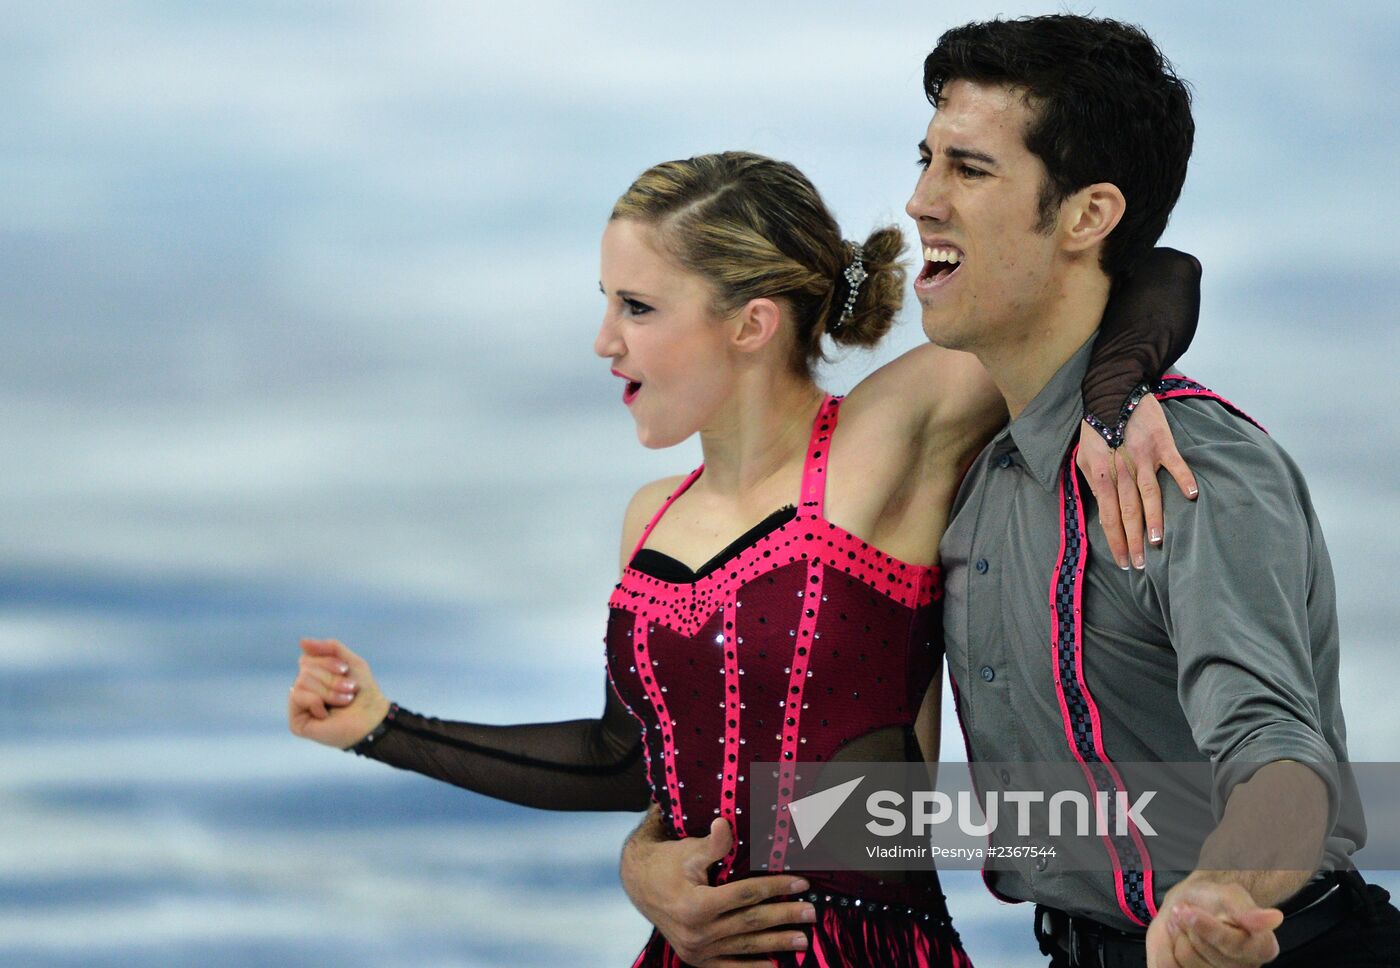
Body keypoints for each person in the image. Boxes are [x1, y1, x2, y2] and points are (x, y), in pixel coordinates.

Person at [620, 14, 1400, 968]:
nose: (918, 201)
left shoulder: (1182, 466)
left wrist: (1221, 890)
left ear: (1086, 216)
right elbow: (903, 817)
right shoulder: (966, 484)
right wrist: (650, 861)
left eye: (970, 170)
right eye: (926, 159)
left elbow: (1287, 762)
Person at [288, 150, 1199, 966]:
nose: (605, 342)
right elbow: (624, 759)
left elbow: (1154, 275)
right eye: (606, 305)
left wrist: (1114, 398)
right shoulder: (652, 519)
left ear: (752, 323)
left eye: (637, 308)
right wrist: (383, 726)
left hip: (862, 944)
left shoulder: (891, 434)